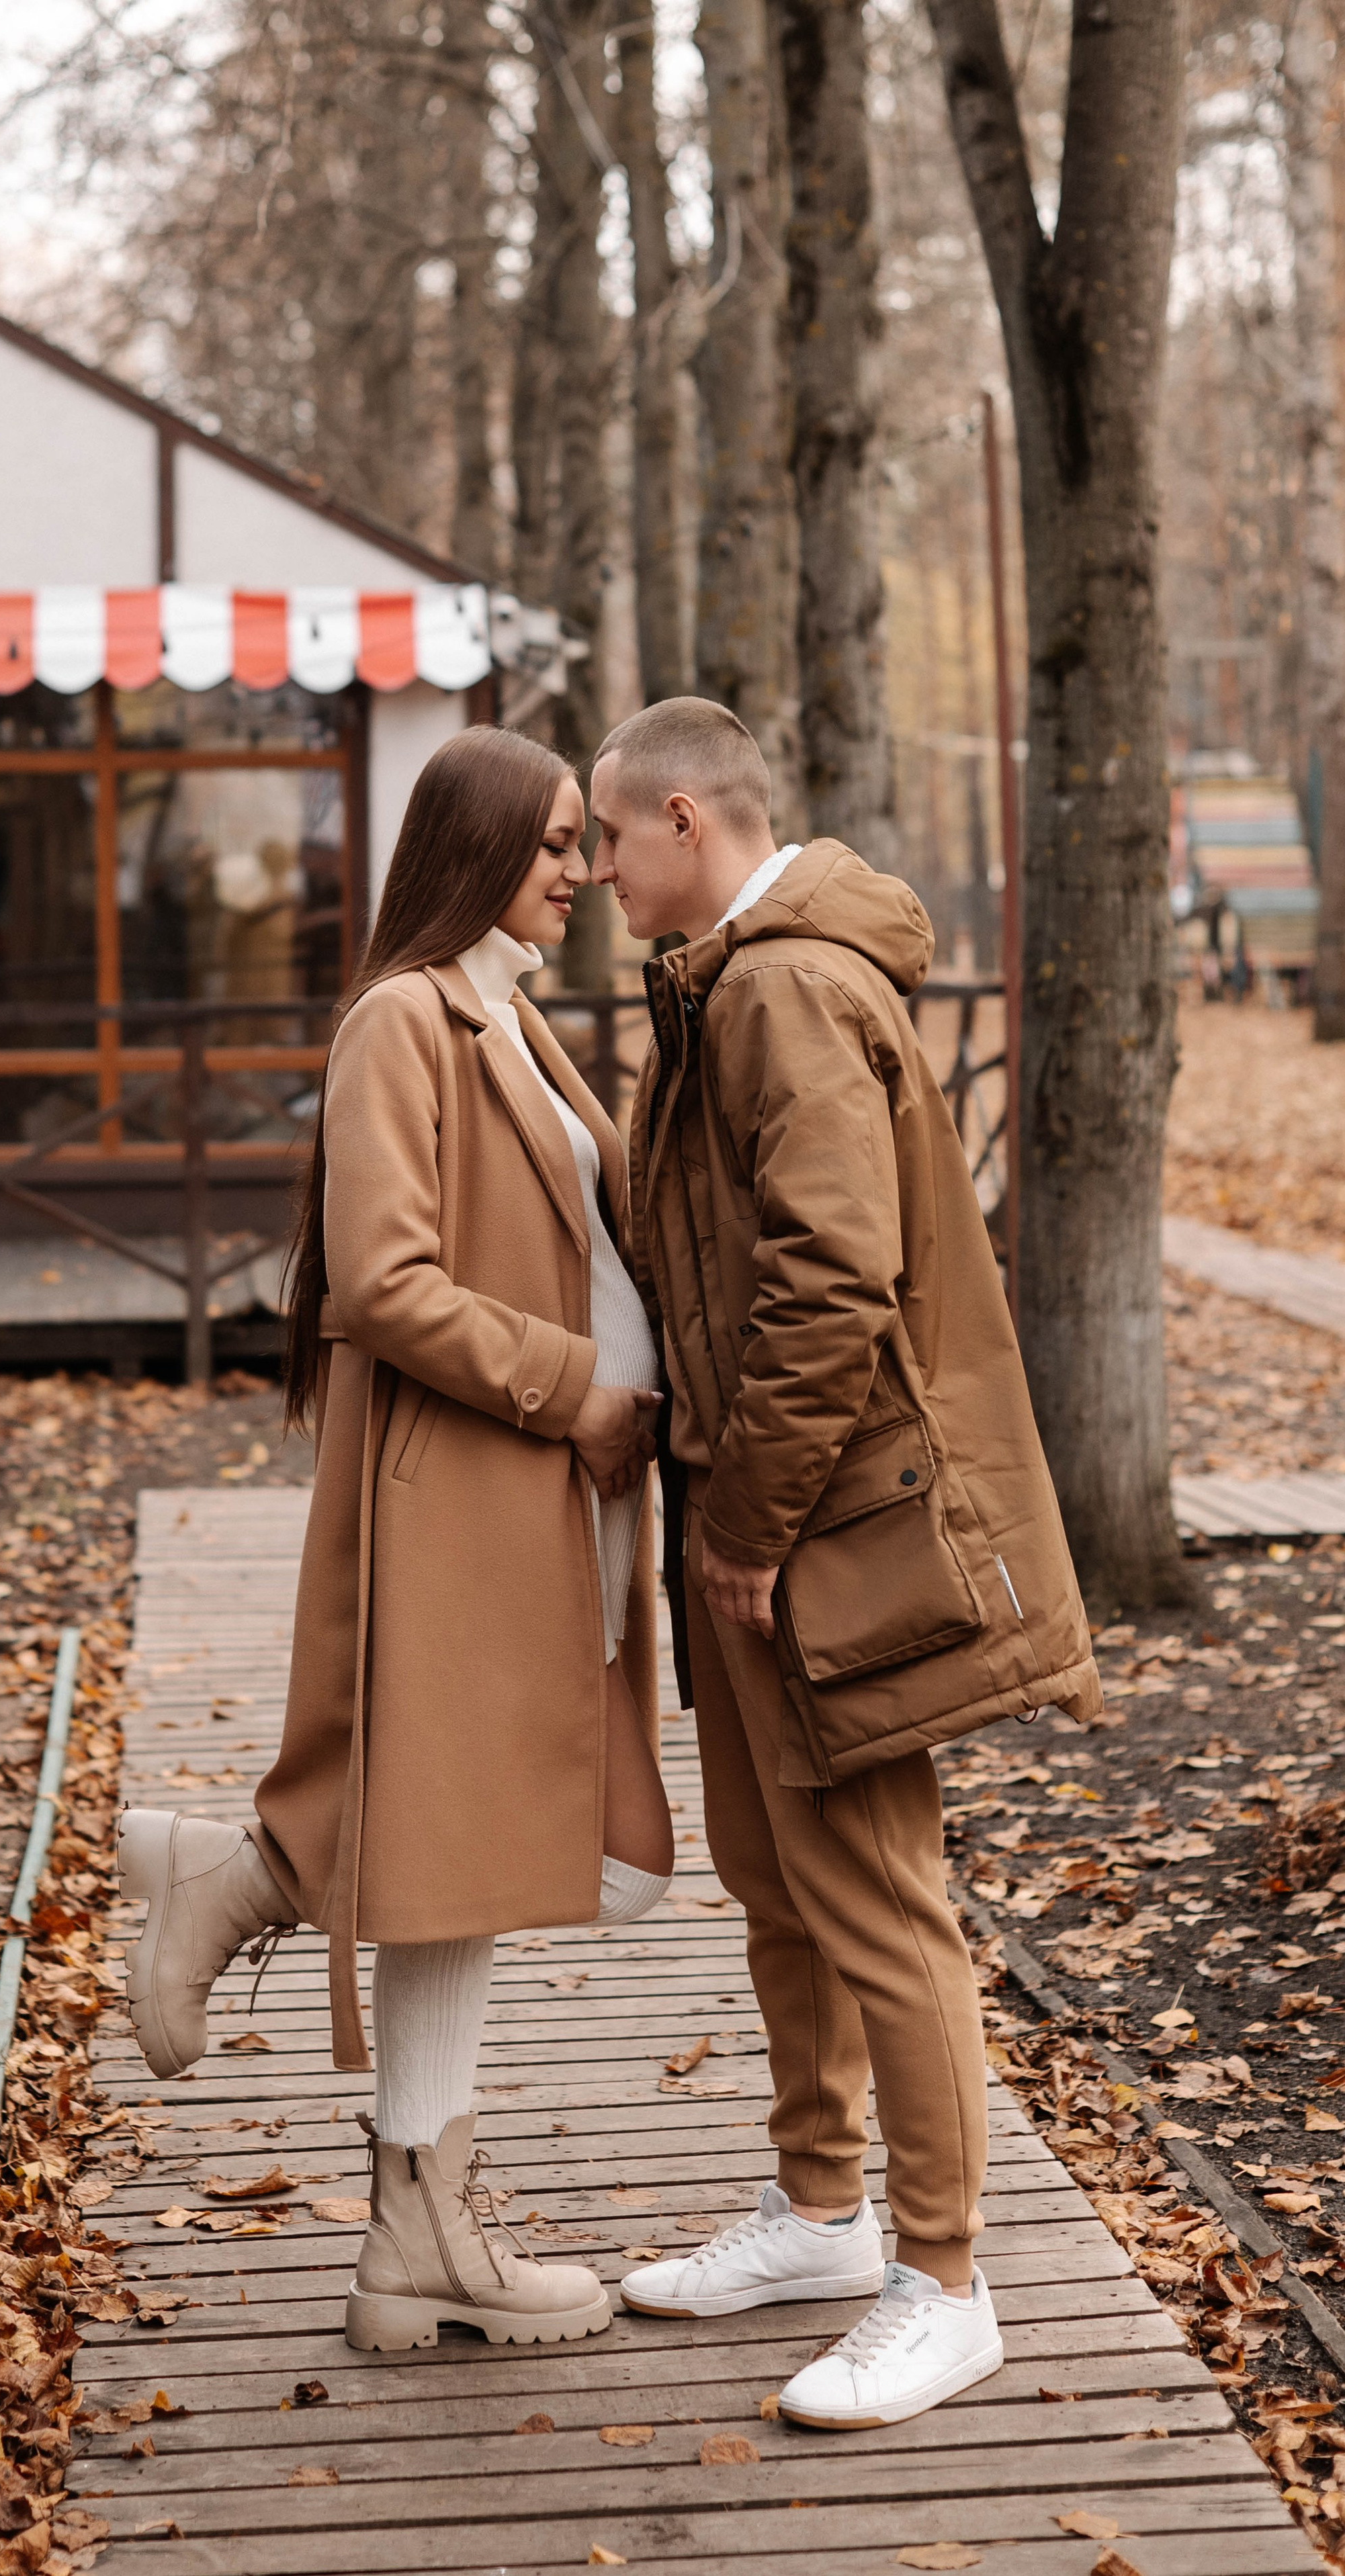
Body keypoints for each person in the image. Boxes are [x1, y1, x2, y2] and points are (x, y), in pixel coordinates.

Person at [117, 725, 672, 2355]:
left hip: (558, 1501)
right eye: (559, 838)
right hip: (477, 1488)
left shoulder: (508, 1013)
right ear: (482, 841)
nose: (583, 867)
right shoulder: (399, 1021)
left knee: (591, 1862)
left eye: (587, 841)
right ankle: (418, 2227)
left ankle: (244, 1873)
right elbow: (382, 1279)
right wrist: (574, 1390)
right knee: (493, 1845)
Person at [589, 697, 1102, 2432]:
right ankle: (823, 2209)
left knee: (880, 1901)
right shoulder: (724, 978)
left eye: (604, 840)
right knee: (776, 1869)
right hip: (762, 1522)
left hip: (824, 1528)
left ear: (682, 819)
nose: (591, 871)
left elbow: (831, 1282)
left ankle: (945, 2280)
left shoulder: (784, 988)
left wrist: (740, 1525)